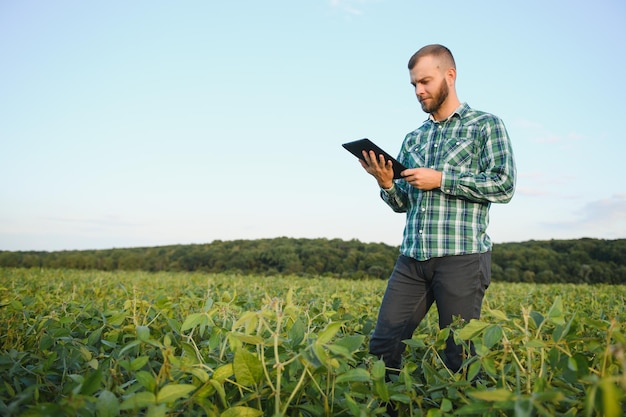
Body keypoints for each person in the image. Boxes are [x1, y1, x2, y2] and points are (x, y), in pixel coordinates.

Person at [359, 44, 516, 382]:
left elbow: (504, 185)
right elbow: (403, 203)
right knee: (383, 346)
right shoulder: (413, 138)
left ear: (450, 75)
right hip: (412, 259)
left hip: (462, 258)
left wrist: (441, 179)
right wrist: (386, 183)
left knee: (459, 354)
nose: (419, 91)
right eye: (414, 84)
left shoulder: (485, 126)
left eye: (425, 82)